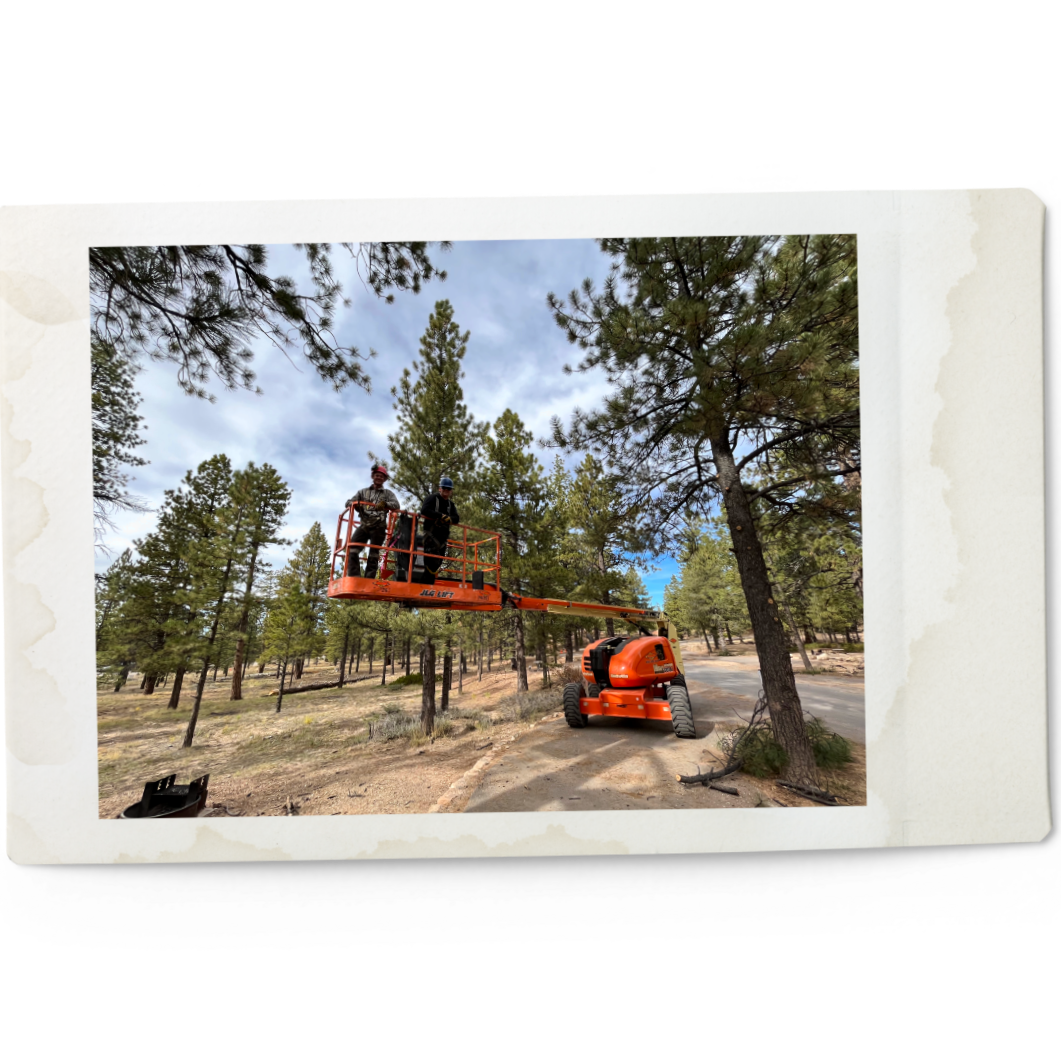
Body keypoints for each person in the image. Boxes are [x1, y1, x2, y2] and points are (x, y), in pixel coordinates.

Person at [344, 464, 400, 578]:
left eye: (381, 476)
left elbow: (396, 505)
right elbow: (349, 502)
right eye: (377, 475)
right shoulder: (363, 492)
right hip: (365, 524)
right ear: (373, 476)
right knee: (352, 548)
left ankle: (369, 578)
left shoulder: (388, 494)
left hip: (379, 526)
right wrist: (356, 504)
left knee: (374, 553)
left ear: (384, 479)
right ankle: (354, 577)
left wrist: (385, 504)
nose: (379, 477)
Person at [419, 476, 460, 577]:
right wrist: (440, 516)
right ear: (440, 489)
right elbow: (424, 510)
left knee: (438, 562)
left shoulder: (451, 505)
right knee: (430, 561)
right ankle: (424, 582)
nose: (446, 490)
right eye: (444, 488)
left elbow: (456, 518)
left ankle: (428, 583)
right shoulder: (433, 498)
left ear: (451, 491)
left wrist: (449, 519)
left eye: (448, 489)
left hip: (442, 538)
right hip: (431, 536)